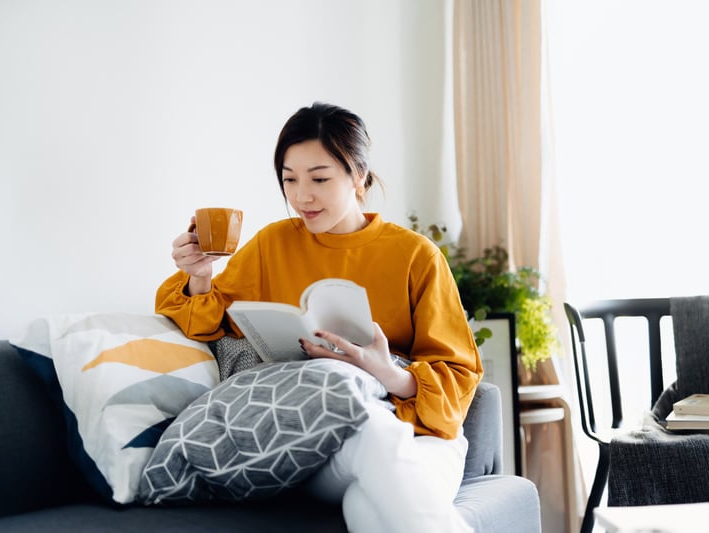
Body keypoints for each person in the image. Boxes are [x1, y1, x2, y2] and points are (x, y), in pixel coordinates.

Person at [155, 102, 482, 532]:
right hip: (325, 436)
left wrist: (387, 373)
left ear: (359, 176)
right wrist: (199, 276)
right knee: (372, 439)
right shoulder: (273, 244)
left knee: (367, 507)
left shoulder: (415, 256)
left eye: (320, 179)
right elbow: (207, 322)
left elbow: (458, 375)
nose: (301, 196)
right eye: (289, 179)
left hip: (421, 433)